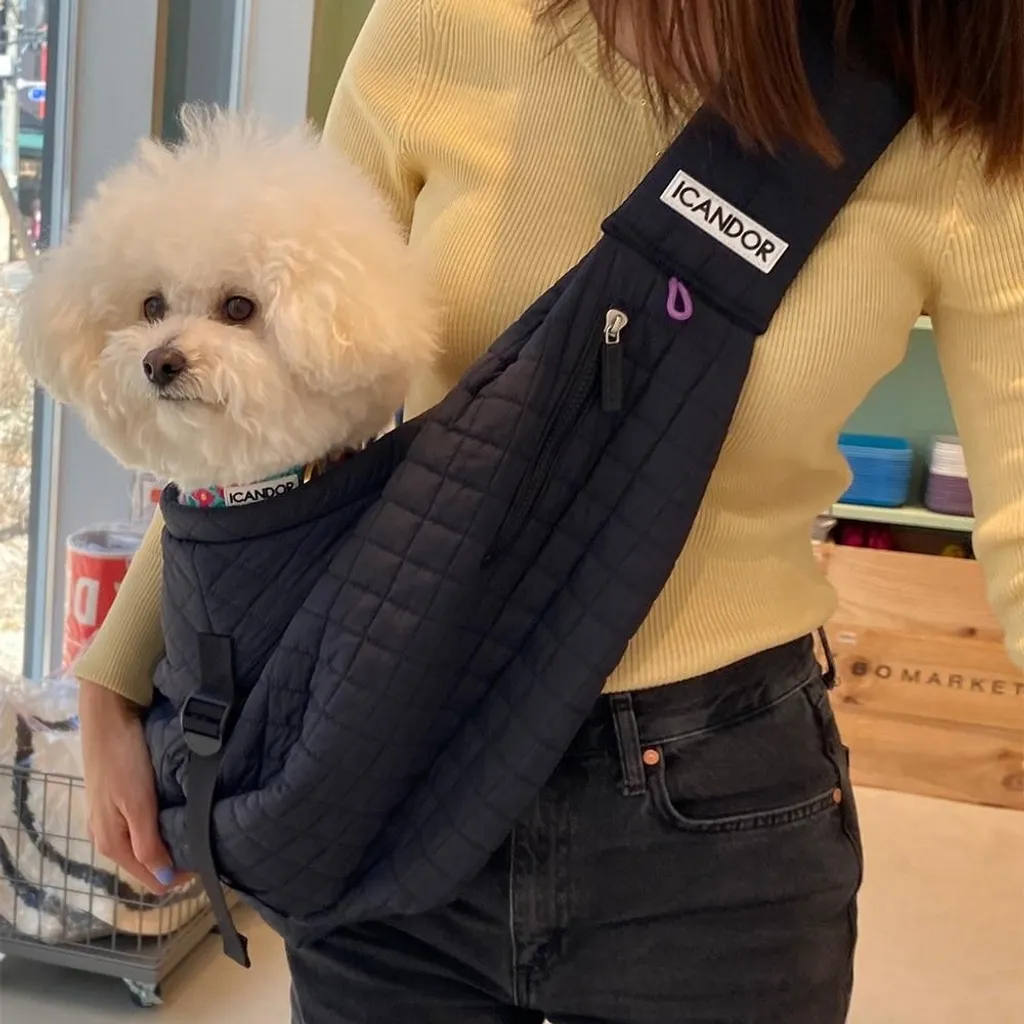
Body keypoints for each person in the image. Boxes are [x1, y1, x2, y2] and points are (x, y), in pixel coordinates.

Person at [74, 1, 1024, 1020]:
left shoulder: (935, 101)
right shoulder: (442, 25)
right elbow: (255, 418)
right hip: (395, 746)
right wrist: (113, 677)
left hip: (715, 821)